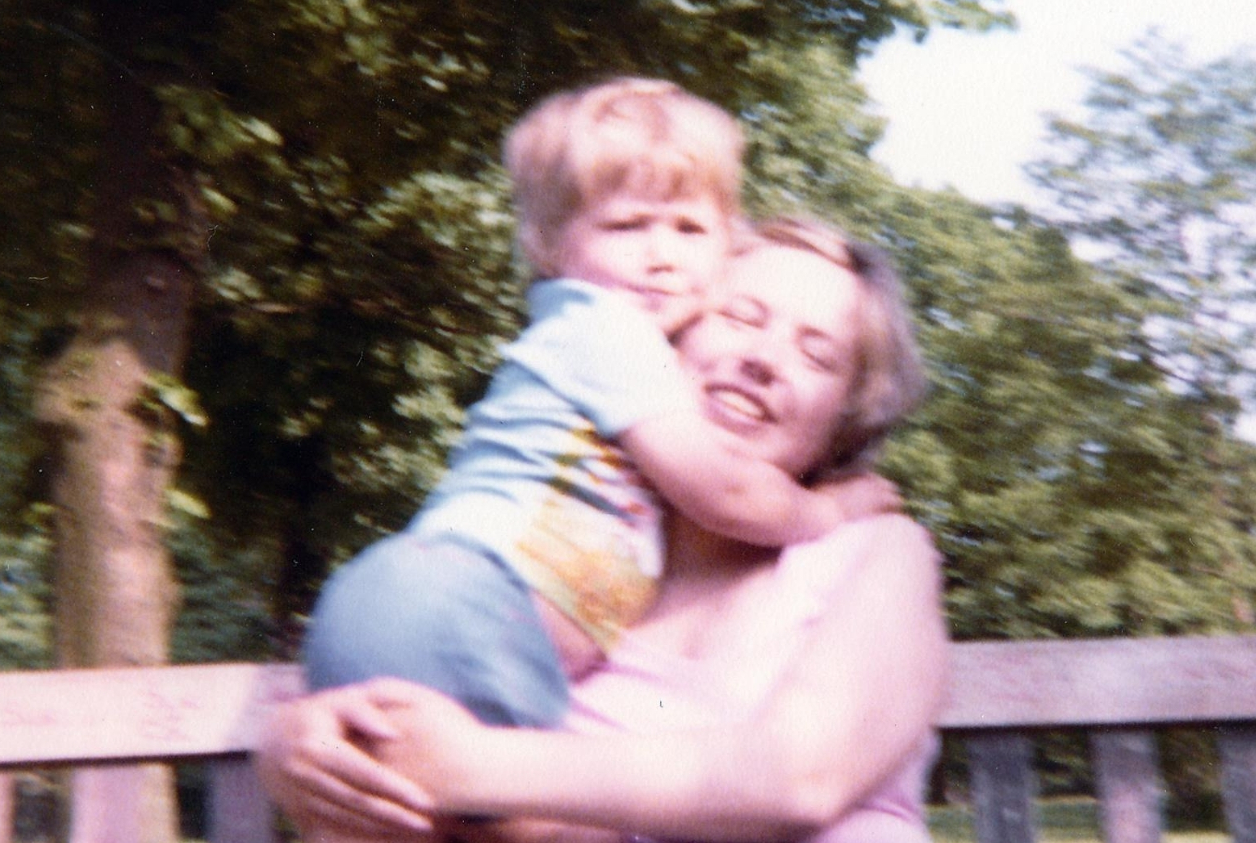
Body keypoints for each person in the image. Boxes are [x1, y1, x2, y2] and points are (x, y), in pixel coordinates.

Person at [258, 217, 949, 843]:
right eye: (740, 317)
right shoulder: (560, 572)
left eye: (817, 355)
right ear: (666, 337)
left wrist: (465, 765)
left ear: (845, 421)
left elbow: (801, 778)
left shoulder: (877, 553)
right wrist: (308, 748)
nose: (764, 359)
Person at [304, 77, 896, 744]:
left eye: (690, 229)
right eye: (627, 226)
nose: (662, 256)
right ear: (552, 248)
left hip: (450, 620)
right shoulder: (603, 329)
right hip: (463, 610)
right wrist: (830, 510)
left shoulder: (625, 360)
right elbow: (725, 490)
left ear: (725, 245)